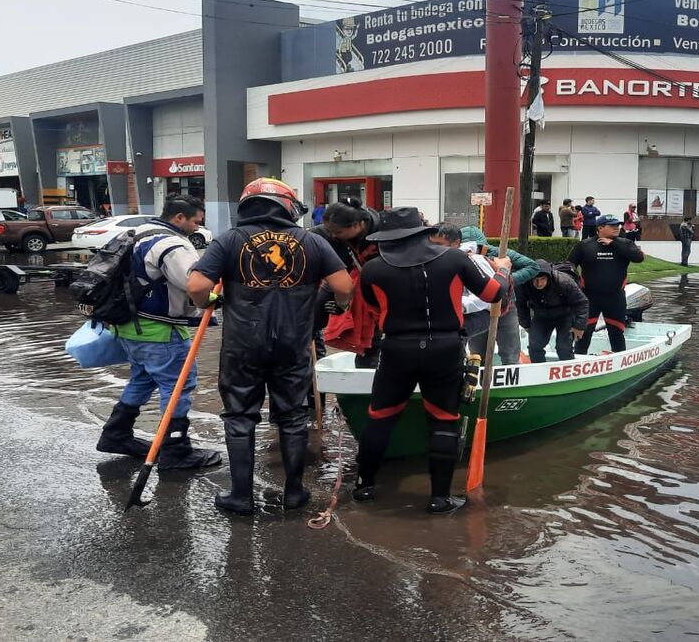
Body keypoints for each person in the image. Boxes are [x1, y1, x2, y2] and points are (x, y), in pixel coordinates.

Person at [188, 179, 353, 515]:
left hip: (242, 345)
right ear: (287, 206)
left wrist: (211, 301)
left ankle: (240, 497)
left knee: (239, 417)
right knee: (292, 416)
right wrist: (340, 305)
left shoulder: (230, 240)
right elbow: (343, 284)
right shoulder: (309, 240)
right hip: (293, 343)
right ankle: (294, 493)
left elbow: (196, 284)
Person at [352, 207, 511, 514]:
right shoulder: (454, 259)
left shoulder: (373, 269)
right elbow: (494, 293)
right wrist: (502, 268)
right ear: (422, 231)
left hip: (397, 349)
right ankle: (439, 498)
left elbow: (373, 305)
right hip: (444, 348)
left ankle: (364, 486)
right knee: (443, 419)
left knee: (380, 416)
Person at [94, 194, 221, 471]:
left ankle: (116, 434)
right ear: (179, 218)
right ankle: (176, 450)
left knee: (142, 380)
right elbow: (193, 286)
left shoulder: (137, 233)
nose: (197, 228)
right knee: (178, 386)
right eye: (195, 222)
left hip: (127, 325)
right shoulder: (172, 244)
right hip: (159, 330)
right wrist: (215, 299)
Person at [311, 197, 382, 366]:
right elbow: (306, 240)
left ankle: (366, 381)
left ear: (357, 225)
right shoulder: (329, 233)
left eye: (338, 232)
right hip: (344, 277)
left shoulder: (383, 233)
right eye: (330, 232)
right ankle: (315, 369)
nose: (333, 236)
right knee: (312, 317)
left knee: (373, 337)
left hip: (380, 283)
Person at [459, 225, 539, 366]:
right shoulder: (459, 259)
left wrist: (507, 279)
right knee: (477, 356)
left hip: (505, 310)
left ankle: (513, 385)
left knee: (510, 356)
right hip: (477, 312)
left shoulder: (501, 254)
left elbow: (532, 266)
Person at [569, 213, 645, 354]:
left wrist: (614, 244)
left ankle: (619, 363)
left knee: (616, 333)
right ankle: (579, 361)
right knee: (584, 334)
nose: (617, 228)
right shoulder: (585, 245)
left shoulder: (625, 243)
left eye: (618, 225)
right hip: (589, 298)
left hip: (615, 297)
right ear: (600, 228)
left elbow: (639, 258)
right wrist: (575, 286)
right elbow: (569, 266)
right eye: (612, 226)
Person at [516, 261, 589, 363]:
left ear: (549, 277)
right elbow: (520, 304)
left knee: (563, 348)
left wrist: (579, 326)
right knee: (534, 346)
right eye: (536, 280)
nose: (539, 283)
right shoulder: (523, 285)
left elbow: (582, 302)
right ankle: (539, 372)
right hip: (541, 316)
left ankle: (568, 374)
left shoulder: (564, 281)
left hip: (565, 316)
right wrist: (526, 324)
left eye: (542, 279)